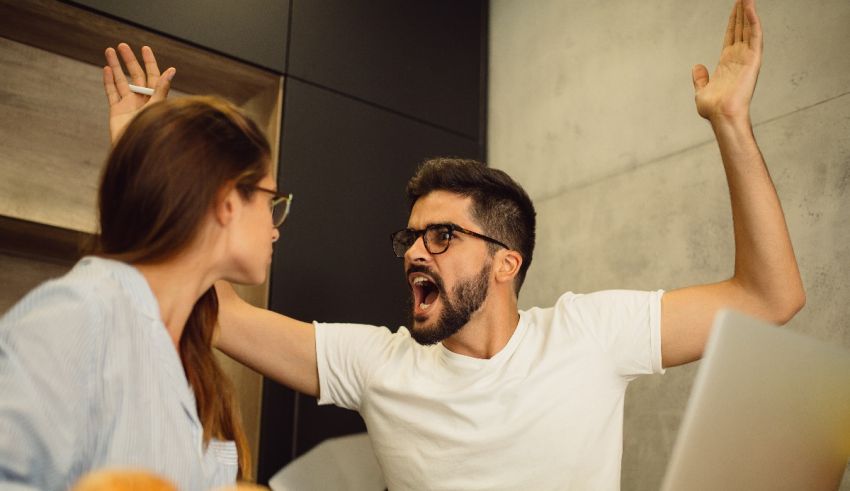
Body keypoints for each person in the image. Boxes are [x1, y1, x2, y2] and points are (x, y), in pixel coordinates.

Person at [106, 0, 804, 489]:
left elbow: (770, 298)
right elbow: (215, 306)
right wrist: (143, 155)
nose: (414, 251)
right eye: (410, 236)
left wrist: (732, 125)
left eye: (441, 236)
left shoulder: (589, 333)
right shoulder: (379, 364)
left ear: (508, 262)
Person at [0, 90, 291, 487]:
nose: (274, 228)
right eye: (270, 200)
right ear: (226, 201)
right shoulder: (78, 315)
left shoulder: (186, 349)